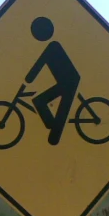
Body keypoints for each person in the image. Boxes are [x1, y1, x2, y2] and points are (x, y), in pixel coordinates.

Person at [24, 17, 80, 145]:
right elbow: (39, 65)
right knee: (40, 101)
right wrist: (29, 78)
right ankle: (53, 126)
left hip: (70, 81)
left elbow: (39, 65)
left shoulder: (53, 46)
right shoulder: (51, 46)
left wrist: (29, 79)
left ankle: (55, 130)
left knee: (43, 102)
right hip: (66, 81)